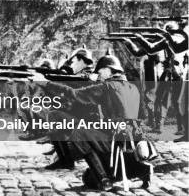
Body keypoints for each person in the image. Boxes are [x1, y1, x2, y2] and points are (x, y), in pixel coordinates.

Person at [39, 54, 152, 191]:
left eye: (100, 72)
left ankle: (103, 178)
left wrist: (46, 83)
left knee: (79, 133)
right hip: (132, 141)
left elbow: (74, 94)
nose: (99, 75)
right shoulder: (133, 88)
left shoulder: (106, 87)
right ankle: (142, 170)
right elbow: (143, 116)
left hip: (114, 141)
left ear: (108, 70)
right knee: (88, 177)